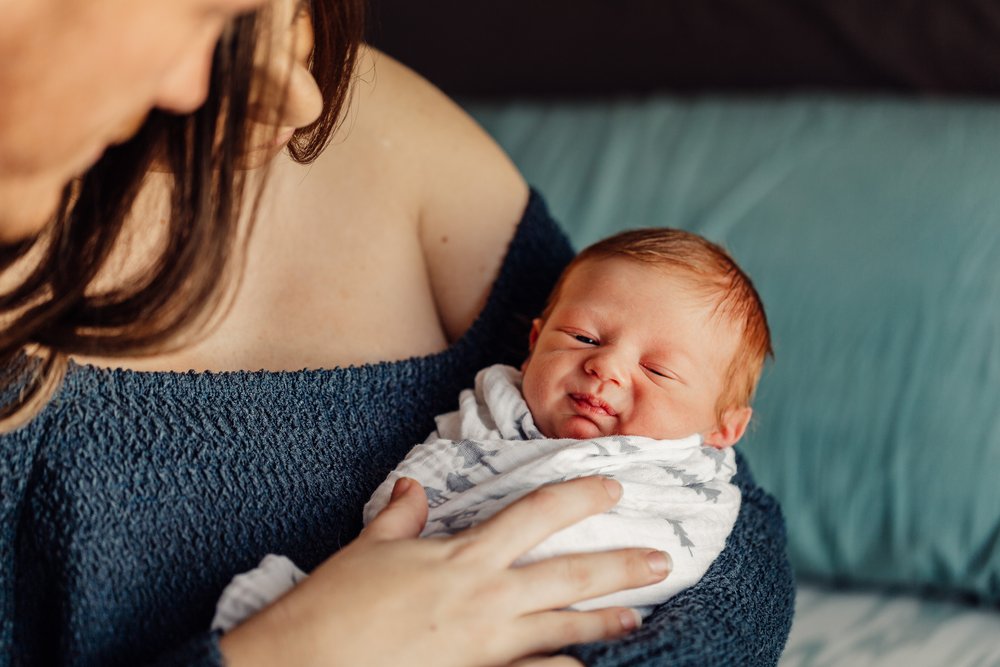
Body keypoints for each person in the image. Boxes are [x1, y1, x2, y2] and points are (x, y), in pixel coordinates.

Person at [0, 1, 794, 666]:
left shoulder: (384, 130)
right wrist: (291, 652)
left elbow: (720, 511)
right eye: (217, 20)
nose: (302, 99)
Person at [212, 227, 772, 630]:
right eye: (584, 337)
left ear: (724, 430)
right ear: (533, 345)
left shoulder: (683, 483)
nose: (606, 367)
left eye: (657, 370)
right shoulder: (492, 408)